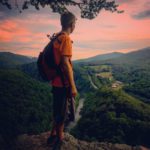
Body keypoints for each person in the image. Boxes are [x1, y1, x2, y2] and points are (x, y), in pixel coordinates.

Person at [47, 12, 77, 146]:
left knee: (57, 110)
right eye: (75, 24)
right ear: (72, 24)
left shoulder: (57, 38)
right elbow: (65, 63)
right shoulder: (65, 39)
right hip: (63, 83)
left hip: (55, 82)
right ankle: (59, 139)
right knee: (62, 113)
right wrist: (73, 86)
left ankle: (52, 134)